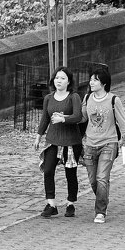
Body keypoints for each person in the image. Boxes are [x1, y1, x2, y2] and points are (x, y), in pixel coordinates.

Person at [81, 67, 125, 224]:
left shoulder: (114, 100)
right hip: (90, 144)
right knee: (94, 180)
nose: (91, 82)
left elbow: (123, 123)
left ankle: (100, 212)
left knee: (101, 177)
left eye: (95, 80)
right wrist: (64, 117)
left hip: (109, 144)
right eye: (91, 79)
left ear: (103, 83)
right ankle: (103, 197)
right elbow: (82, 118)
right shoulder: (87, 98)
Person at [33, 68, 85, 219]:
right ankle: (51, 204)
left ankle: (70, 203)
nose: (59, 81)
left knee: (70, 173)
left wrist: (64, 118)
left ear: (68, 81)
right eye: (57, 78)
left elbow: (78, 116)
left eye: (62, 78)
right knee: (48, 170)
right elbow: (45, 118)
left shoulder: (73, 97)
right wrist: (38, 136)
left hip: (70, 141)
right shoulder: (49, 98)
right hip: (53, 141)